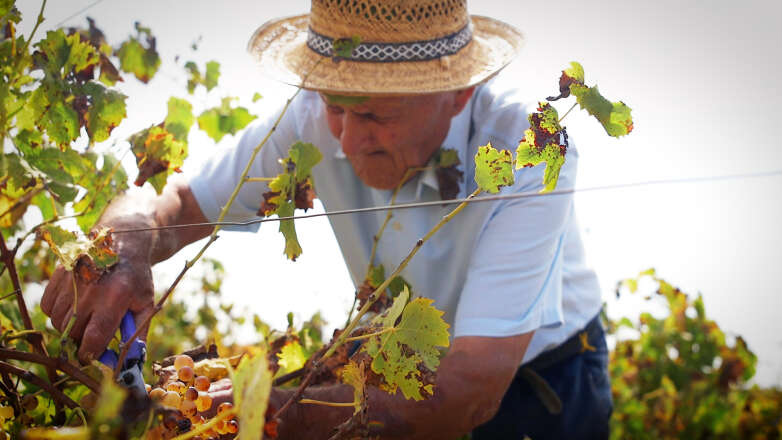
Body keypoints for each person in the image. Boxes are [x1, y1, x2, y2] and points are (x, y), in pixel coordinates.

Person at [41, 0, 612, 438]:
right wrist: (125, 241)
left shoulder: (530, 148)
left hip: (544, 379)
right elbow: (178, 203)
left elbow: (468, 392)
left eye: (373, 114)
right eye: (335, 107)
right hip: (399, 372)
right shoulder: (314, 118)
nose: (347, 138)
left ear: (458, 92)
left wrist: (261, 415)